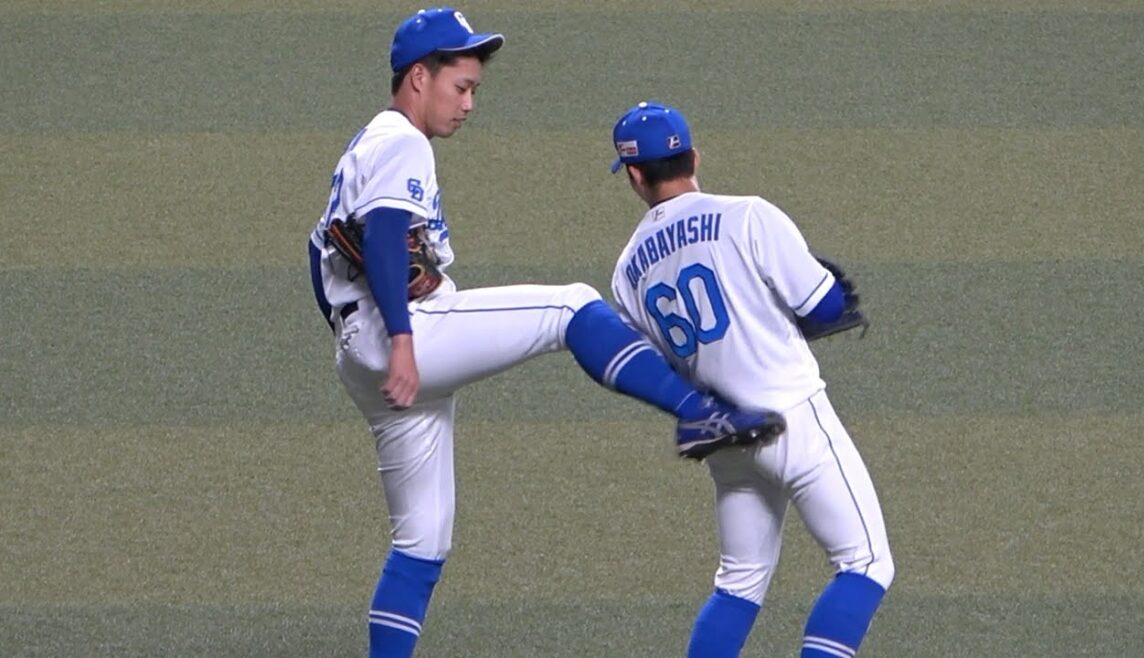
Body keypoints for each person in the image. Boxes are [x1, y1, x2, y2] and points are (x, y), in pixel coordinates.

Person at [306, 11, 783, 658]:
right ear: (419, 77)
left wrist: (363, 339)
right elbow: (387, 235)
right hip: (405, 335)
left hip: (359, 350)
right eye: (461, 87)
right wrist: (401, 341)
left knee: (421, 543)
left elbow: (318, 251)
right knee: (570, 307)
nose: (469, 104)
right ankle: (700, 412)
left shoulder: (365, 144)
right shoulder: (403, 142)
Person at [606, 101, 895, 658]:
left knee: (739, 584)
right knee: (865, 564)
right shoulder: (748, 216)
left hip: (725, 435)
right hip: (793, 419)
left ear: (635, 176)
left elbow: (655, 366)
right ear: (694, 157)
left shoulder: (627, 270)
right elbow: (825, 305)